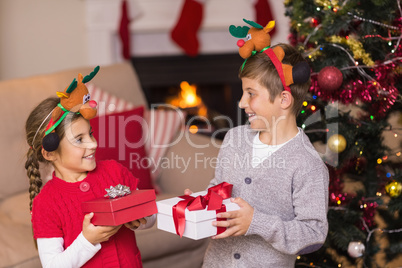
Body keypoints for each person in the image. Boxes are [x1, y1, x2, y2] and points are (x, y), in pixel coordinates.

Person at [186, 42, 329, 267]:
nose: (242, 103)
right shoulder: (234, 140)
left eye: (250, 94)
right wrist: (198, 204)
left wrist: (257, 222)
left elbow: (313, 234)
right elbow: (219, 190)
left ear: (283, 99)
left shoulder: (307, 164)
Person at [25, 70, 155, 267]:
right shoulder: (46, 203)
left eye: (90, 134)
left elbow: (151, 215)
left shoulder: (114, 171)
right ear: (49, 153)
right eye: (79, 140)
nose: (93, 144)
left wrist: (142, 217)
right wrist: (88, 240)